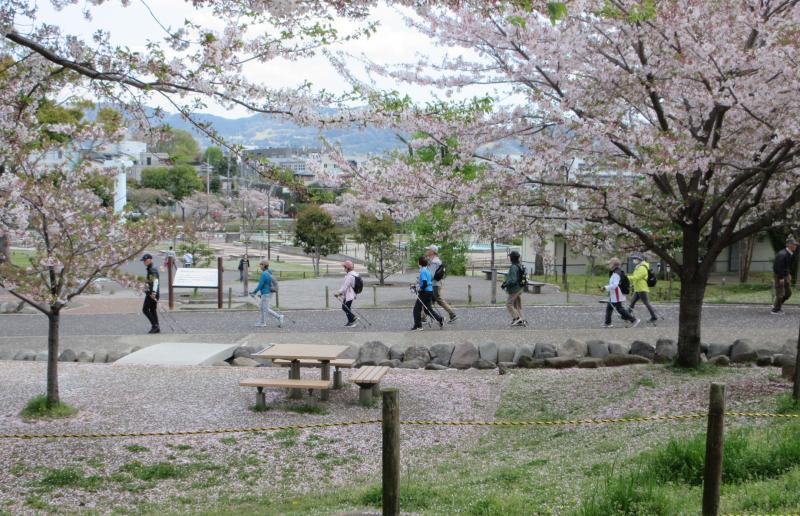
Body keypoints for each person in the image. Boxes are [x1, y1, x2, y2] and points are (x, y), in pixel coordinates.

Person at [602, 257, 640, 328]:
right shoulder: (617, 271)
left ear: (613, 264)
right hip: (616, 293)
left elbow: (615, 285)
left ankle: (634, 320)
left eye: (610, 263)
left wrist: (605, 287)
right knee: (610, 307)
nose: (609, 265)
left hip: (617, 293)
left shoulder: (616, 273)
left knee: (619, 308)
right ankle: (608, 323)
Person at [424, 245, 457, 323]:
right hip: (436, 284)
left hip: (434, 285)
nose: (427, 251)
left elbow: (431, 275)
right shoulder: (435, 260)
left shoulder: (434, 262)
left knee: (434, 300)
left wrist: (425, 281)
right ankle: (423, 317)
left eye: (428, 250)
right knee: (430, 301)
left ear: (432, 252)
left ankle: (452, 314)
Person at [411, 256, 443, 331]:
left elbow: (425, 283)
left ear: (420, 263)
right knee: (427, 309)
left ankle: (418, 326)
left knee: (416, 309)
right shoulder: (426, 270)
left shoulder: (423, 271)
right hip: (429, 291)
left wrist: (419, 288)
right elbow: (424, 282)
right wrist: (416, 285)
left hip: (425, 292)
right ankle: (440, 319)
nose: (417, 262)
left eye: (418, 261)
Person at [250, 261, 284, 327]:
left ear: (263, 265)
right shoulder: (268, 272)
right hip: (267, 293)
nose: (260, 267)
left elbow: (260, 285)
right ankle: (263, 322)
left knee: (265, 308)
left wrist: (254, 292)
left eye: (260, 265)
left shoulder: (264, 274)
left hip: (266, 293)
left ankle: (278, 317)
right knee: (262, 307)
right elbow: (266, 285)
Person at [628, 252, 659, 323]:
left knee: (646, 303)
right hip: (638, 288)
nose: (634, 260)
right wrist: (632, 284)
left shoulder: (642, 267)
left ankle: (654, 316)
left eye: (635, 258)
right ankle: (627, 315)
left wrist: (627, 278)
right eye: (634, 258)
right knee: (632, 302)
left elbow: (637, 277)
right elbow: (637, 278)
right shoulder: (638, 266)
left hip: (642, 288)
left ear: (639, 259)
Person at [771, 237, 798, 315]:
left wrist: (788, 274)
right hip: (780, 276)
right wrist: (781, 278)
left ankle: (777, 305)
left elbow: (786, 266)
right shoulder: (782, 254)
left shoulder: (789, 253)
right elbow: (777, 267)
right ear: (789, 245)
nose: (795, 246)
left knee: (788, 293)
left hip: (784, 275)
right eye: (794, 245)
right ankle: (775, 310)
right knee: (780, 294)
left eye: (795, 245)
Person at [502, 250, 527, 326]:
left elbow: (513, 280)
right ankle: (522, 319)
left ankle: (517, 318)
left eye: (510, 257)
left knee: (509, 304)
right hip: (520, 288)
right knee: (517, 305)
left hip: (515, 289)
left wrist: (506, 284)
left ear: (512, 258)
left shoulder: (513, 267)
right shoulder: (519, 265)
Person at [334, 260, 359, 327]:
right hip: (351, 294)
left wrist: (338, 293)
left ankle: (352, 319)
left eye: (344, 267)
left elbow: (345, 287)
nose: (344, 268)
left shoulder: (350, 276)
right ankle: (350, 321)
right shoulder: (354, 274)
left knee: (345, 308)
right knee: (346, 307)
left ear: (348, 268)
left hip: (349, 295)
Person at [140, 253, 160, 334]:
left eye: (145, 260)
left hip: (152, 293)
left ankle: (155, 326)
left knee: (145, 309)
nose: (144, 262)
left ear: (150, 260)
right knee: (152, 310)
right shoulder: (150, 268)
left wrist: (154, 293)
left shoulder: (152, 269)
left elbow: (155, 281)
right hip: (153, 292)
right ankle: (156, 326)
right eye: (143, 260)